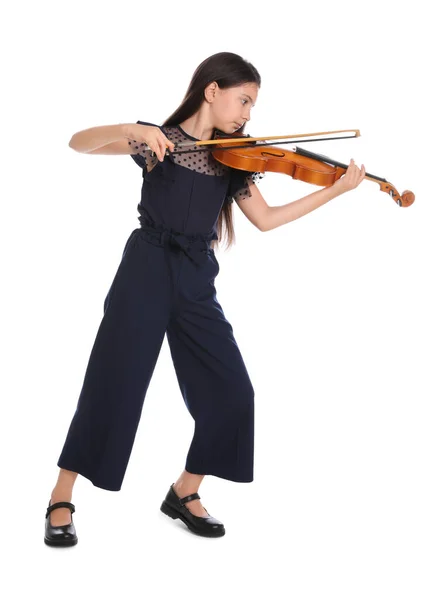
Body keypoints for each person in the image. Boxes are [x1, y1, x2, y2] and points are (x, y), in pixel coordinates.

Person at [44, 51, 366, 546]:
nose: (247, 115)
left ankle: (184, 491)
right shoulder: (158, 141)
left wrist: (337, 191)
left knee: (234, 394)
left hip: (196, 277)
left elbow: (267, 219)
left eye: (252, 105)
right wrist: (132, 126)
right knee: (114, 381)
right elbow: (77, 144)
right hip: (145, 269)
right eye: (244, 100)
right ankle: (61, 495)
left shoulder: (233, 159)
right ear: (211, 91)